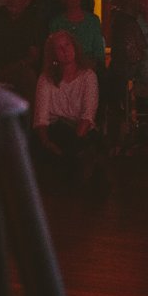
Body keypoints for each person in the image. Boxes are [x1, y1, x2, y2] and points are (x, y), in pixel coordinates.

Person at [32, 30, 100, 185]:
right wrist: (47, 142)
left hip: (79, 133)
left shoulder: (88, 76)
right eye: (59, 47)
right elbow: (40, 118)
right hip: (54, 132)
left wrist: (72, 146)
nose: (65, 50)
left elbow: (87, 116)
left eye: (67, 45)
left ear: (74, 46)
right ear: (53, 54)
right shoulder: (45, 79)